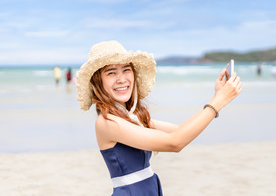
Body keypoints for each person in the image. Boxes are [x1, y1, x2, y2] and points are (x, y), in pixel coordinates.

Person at [76, 41, 242, 196]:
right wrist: (217, 102)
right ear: (98, 82)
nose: (121, 79)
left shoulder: (131, 118)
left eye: (126, 69)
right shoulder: (107, 123)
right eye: (111, 72)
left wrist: (217, 97)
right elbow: (175, 142)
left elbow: (181, 132)